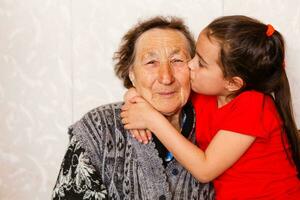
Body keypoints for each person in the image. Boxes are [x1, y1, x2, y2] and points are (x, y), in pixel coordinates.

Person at [121, 15, 300, 199]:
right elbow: (165, 89)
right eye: (195, 55)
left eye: (201, 63)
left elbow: (205, 169)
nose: (190, 64)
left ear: (232, 83)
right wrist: (133, 94)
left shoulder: (253, 105)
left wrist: (152, 120)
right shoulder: (205, 94)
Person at [52, 16, 215, 200]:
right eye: (151, 63)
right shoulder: (99, 128)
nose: (166, 77)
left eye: (177, 60)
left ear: (194, 67)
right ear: (132, 75)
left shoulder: (219, 126)